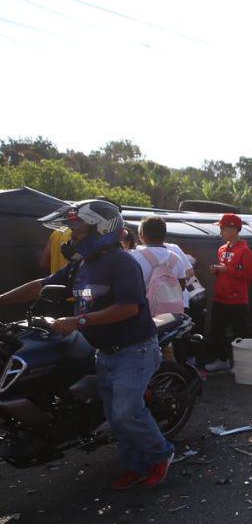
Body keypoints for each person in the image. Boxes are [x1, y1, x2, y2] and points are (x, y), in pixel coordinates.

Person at [0, 199, 173, 488]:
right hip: (104, 352)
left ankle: (161, 454)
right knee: (113, 415)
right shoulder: (81, 266)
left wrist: (79, 321)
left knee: (126, 411)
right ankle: (135, 465)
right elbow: (39, 286)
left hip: (134, 350)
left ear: (101, 229)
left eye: (78, 229)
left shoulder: (122, 262)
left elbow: (129, 308)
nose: (72, 235)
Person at [205, 213, 252, 372]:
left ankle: (245, 363)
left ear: (233, 229)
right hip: (220, 298)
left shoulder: (245, 250)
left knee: (240, 332)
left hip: (238, 300)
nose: (220, 232)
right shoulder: (221, 249)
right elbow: (225, 270)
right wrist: (216, 270)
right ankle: (222, 359)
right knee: (217, 331)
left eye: (223, 228)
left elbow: (251, 274)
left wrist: (229, 270)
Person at [131, 216, 189, 317]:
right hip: (170, 315)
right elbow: (181, 287)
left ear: (142, 235)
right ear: (164, 235)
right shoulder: (176, 259)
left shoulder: (135, 257)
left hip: (144, 314)